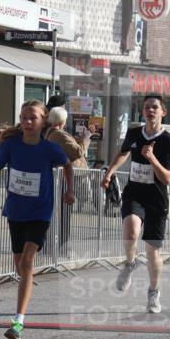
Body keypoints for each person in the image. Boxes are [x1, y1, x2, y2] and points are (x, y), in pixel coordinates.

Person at [0, 100, 74, 339]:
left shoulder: (49, 148)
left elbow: (68, 165)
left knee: (29, 261)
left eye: (32, 118)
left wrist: (70, 190)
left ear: (44, 121)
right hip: (16, 211)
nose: (27, 122)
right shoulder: (11, 145)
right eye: (23, 118)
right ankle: (25, 290)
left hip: (40, 212)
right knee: (21, 266)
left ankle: (18, 320)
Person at [101, 95, 170, 313]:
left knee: (153, 252)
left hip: (156, 198)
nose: (150, 111)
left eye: (155, 107)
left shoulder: (168, 142)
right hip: (135, 192)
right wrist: (109, 173)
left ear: (163, 112)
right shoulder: (135, 133)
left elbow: (167, 179)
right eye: (146, 107)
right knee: (132, 229)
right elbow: (123, 153)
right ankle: (129, 263)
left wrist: (152, 159)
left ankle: (153, 293)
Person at [46, 106, 96, 253]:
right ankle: (61, 247)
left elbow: (74, 146)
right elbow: (77, 152)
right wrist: (86, 137)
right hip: (64, 178)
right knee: (64, 215)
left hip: (61, 177)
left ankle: (57, 246)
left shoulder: (54, 133)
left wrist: (84, 136)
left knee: (62, 214)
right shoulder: (58, 134)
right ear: (62, 120)